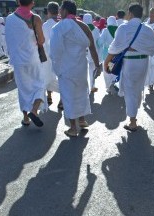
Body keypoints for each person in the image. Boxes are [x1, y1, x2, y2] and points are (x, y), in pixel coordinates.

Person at [50, 0, 101, 137]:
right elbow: (92, 48)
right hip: (81, 67)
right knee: (81, 93)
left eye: (61, 9)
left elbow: (55, 51)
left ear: (65, 11)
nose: (59, 11)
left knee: (68, 96)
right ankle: (83, 120)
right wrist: (97, 65)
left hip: (66, 67)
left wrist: (56, 68)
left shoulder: (59, 27)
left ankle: (73, 128)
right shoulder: (84, 26)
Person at [104, 3, 154, 131]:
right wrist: (138, 48)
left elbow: (114, 48)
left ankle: (133, 122)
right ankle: (133, 115)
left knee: (130, 91)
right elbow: (153, 48)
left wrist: (107, 62)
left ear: (130, 13)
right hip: (143, 63)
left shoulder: (123, 28)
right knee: (137, 89)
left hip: (130, 63)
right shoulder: (148, 29)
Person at [5, 0, 48, 127]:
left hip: (17, 61)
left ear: (18, 2)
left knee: (23, 89)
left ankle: (26, 118)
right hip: (32, 59)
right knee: (39, 85)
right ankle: (34, 111)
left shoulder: (10, 19)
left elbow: (8, 39)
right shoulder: (35, 18)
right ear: (32, 3)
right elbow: (41, 40)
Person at [42, 1, 62, 109]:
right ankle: (62, 100)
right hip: (60, 57)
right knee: (60, 77)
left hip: (46, 57)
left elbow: (41, 41)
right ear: (58, 11)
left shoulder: (45, 25)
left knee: (47, 76)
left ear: (48, 11)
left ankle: (49, 96)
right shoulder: (61, 24)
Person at [97, 16, 117, 94]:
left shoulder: (106, 30)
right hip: (116, 54)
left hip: (107, 54)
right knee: (113, 69)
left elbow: (100, 42)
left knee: (107, 70)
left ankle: (109, 86)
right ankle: (113, 82)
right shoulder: (119, 29)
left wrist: (98, 42)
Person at [82, 13, 101, 93]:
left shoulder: (81, 28)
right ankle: (92, 86)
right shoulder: (96, 29)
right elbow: (99, 42)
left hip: (83, 53)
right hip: (93, 52)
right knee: (92, 70)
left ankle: (85, 88)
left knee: (83, 71)